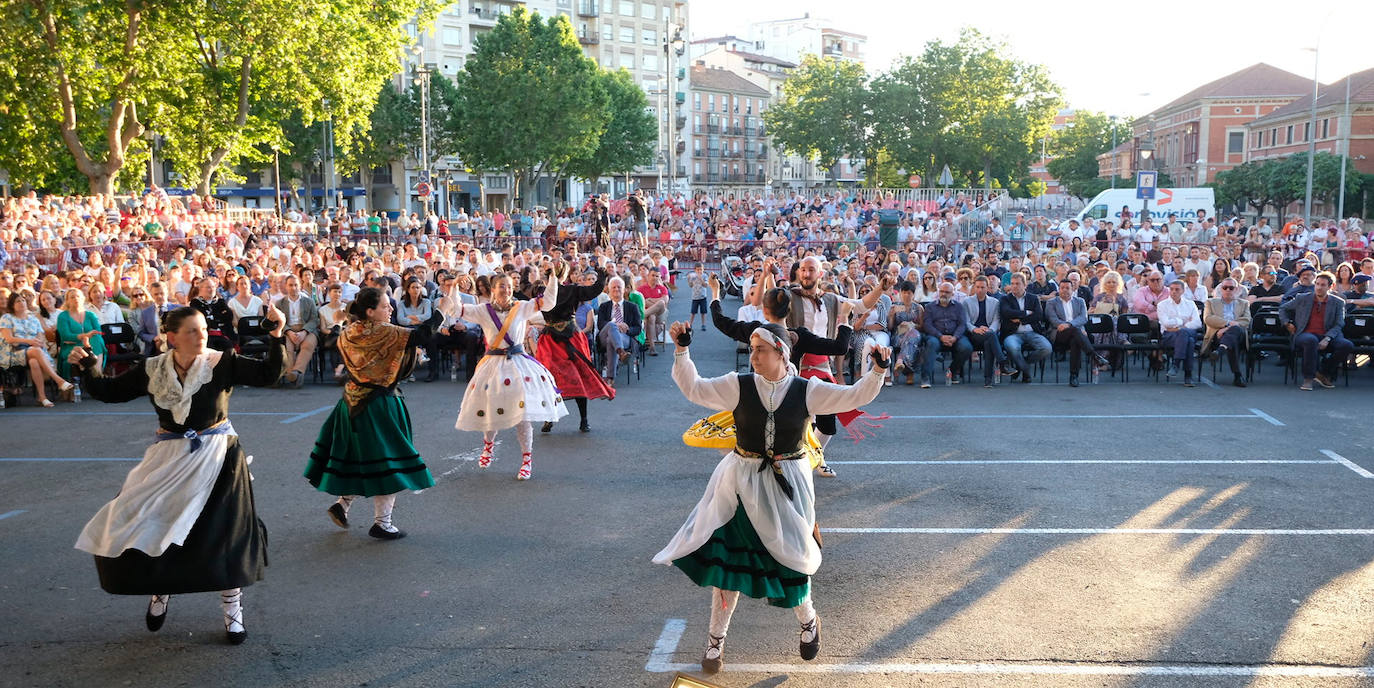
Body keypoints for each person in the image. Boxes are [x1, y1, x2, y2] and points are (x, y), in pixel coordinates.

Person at [654, 320, 888, 675]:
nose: (753, 356)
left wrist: (877, 370)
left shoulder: (809, 390)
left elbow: (854, 395)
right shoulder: (738, 386)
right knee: (727, 565)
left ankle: (809, 621)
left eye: (760, 349)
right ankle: (715, 642)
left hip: (787, 484)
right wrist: (683, 350)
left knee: (792, 560)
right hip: (739, 483)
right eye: (751, 349)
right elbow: (695, 389)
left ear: (781, 352)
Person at [71, 304, 287, 645]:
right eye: (191, 331)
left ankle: (233, 614)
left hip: (219, 459)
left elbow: (268, 374)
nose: (201, 336)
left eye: (203, 329)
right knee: (146, 523)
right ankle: (160, 590)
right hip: (168, 459)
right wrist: (88, 367)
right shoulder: (152, 368)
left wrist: (276, 335)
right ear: (171, 337)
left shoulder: (221, 362)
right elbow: (109, 392)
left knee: (222, 534)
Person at [304, 287, 435, 539]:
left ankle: (342, 505)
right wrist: (443, 312)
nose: (391, 310)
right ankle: (382, 523)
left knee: (359, 458)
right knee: (389, 462)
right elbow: (423, 334)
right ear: (370, 311)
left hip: (350, 402)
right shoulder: (382, 330)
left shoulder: (350, 330)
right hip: (379, 404)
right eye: (386, 306)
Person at [448, 269, 568, 481]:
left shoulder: (521, 307)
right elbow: (455, 309)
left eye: (510, 286)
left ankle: (527, 461)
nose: (506, 289)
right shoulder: (483, 310)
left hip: (518, 365)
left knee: (523, 415)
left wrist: (553, 279)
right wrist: (455, 286)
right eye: (502, 286)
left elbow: (548, 302)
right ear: (493, 289)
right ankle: (488, 446)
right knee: (491, 410)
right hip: (493, 366)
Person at [534, 260, 613, 434]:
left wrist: (601, 277)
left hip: (563, 339)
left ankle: (573, 419)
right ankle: (561, 418)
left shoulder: (559, 290)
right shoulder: (544, 291)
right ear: (564, 274)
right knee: (562, 377)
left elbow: (593, 291)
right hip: (556, 340)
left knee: (561, 378)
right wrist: (601, 276)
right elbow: (594, 290)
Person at [1280, 272, 1353, 391]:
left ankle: (1322, 372)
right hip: (1304, 334)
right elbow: (1283, 308)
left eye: (1323, 285)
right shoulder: (1302, 298)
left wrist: (1327, 338)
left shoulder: (1338, 302)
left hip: (1327, 334)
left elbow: (1339, 323)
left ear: (1331, 286)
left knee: (1347, 345)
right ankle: (1308, 378)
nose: (1319, 287)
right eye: (1317, 284)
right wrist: (1287, 323)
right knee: (1311, 340)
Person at [0, 291, 73, 406]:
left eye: (23, 300)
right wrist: (29, 341)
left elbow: (40, 338)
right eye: (17, 301)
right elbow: (9, 339)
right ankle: (59, 380)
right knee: (35, 351)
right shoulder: (7, 318)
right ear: (12, 305)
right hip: (12, 353)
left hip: (33, 351)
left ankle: (42, 397)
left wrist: (36, 342)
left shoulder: (33, 319)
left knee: (34, 361)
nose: (21, 303)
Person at [1045, 279, 1107, 387]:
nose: (1064, 290)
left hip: (1075, 333)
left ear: (1073, 289)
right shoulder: (1051, 302)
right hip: (1059, 333)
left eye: (1067, 288)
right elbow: (1053, 319)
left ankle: (1074, 376)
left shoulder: (1080, 301)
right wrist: (1070, 326)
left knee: (1075, 341)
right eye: (1062, 288)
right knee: (1076, 332)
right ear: (1059, 289)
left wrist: (1069, 325)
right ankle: (1094, 356)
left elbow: (1083, 318)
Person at [1201, 278, 1251, 387]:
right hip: (1217, 335)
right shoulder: (1211, 302)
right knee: (1232, 341)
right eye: (1225, 288)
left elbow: (1246, 320)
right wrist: (1228, 324)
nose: (1228, 290)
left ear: (1236, 289)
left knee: (1235, 331)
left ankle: (1220, 350)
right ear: (1221, 289)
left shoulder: (1244, 303)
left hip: (1238, 335)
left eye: (1231, 288)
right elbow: (1208, 319)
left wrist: (1227, 328)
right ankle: (1237, 376)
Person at [920, 282, 971, 387]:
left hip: (954, 336)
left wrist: (955, 337)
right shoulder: (930, 307)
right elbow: (927, 325)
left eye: (947, 292)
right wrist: (940, 336)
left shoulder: (959, 307)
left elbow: (962, 324)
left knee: (967, 347)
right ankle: (926, 378)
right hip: (936, 336)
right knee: (931, 344)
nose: (943, 294)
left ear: (952, 294)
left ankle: (952, 370)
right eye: (942, 291)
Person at [961, 275, 1008, 387]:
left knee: (989, 341)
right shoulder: (967, 301)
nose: (980, 290)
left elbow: (996, 321)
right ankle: (1002, 363)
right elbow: (966, 321)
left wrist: (989, 329)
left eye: (982, 287)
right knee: (991, 337)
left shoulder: (995, 302)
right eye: (977, 287)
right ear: (974, 287)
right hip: (973, 334)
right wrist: (975, 329)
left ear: (987, 288)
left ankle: (988, 380)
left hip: (988, 333)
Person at [275, 274, 319, 388]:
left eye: (296, 285)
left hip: (307, 329)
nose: (293, 288)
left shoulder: (308, 301)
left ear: (300, 286)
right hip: (288, 330)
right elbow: (277, 322)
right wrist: (289, 332)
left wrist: (304, 331)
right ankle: (293, 375)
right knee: (288, 348)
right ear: (286, 286)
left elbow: (314, 319)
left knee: (307, 346)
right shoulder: (280, 303)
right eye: (290, 285)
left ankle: (296, 372)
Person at [596, 277, 642, 383]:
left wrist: (628, 329)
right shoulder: (604, 306)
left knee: (610, 341)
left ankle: (610, 377)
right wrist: (616, 325)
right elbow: (600, 325)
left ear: (624, 289)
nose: (616, 289)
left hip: (623, 337)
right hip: (604, 334)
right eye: (613, 287)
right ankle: (621, 353)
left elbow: (638, 328)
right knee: (612, 326)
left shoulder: (632, 307)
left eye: (619, 287)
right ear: (609, 290)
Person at [1157, 280, 1202, 387]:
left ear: (1183, 291)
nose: (1173, 292)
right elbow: (1166, 323)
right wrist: (1182, 321)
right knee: (1189, 342)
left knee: (1184, 334)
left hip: (1185, 332)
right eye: (1171, 289)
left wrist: (1181, 327)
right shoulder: (1162, 305)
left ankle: (1176, 364)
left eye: (1177, 289)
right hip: (1169, 336)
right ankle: (1188, 376)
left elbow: (1197, 323)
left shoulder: (1190, 304)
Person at [57, 288, 107, 379]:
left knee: (97, 338)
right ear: (67, 301)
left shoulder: (91, 315)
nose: (76, 299)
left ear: (83, 298)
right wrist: (85, 336)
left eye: (78, 296)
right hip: (70, 347)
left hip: (91, 345)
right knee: (87, 346)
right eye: (72, 297)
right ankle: (97, 376)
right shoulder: (63, 316)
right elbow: (65, 336)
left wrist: (87, 339)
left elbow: (98, 332)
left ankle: (96, 372)